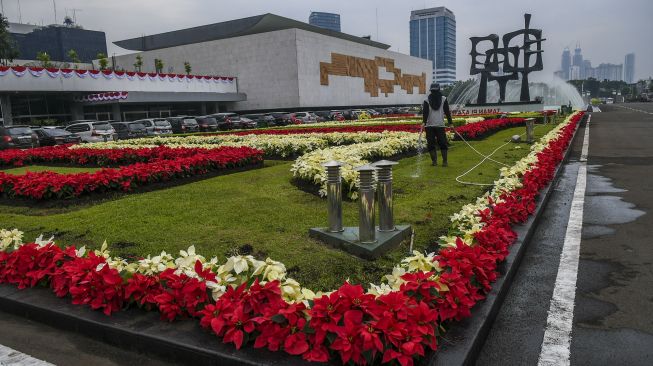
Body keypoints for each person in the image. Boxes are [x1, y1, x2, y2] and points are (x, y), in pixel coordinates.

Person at [422, 83, 453, 167]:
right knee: (431, 144)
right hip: (429, 126)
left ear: (438, 90)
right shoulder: (426, 100)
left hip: (440, 125)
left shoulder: (443, 99)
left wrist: (450, 123)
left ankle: (445, 161)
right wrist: (423, 122)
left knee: (443, 143)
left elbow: (447, 112)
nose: (434, 92)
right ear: (431, 91)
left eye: (435, 91)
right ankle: (434, 161)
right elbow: (425, 113)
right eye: (433, 91)